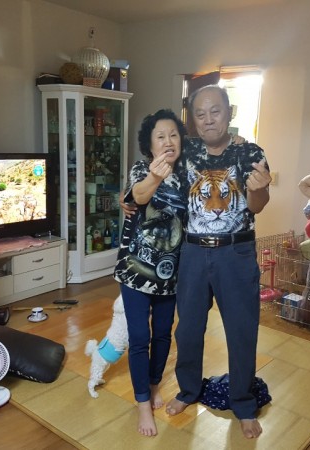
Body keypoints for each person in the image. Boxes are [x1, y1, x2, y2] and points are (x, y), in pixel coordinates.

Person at [164, 85, 271, 439]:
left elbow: (257, 206)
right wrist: (130, 195)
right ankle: (188, 390)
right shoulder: (186, 150)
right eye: (200, 113)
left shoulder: (250, 152)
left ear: (230, 112)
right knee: (188, 329)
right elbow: (152, 153)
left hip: (235, 253)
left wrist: (259, 188)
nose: (209, 119)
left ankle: (243, 403)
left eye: (216, 111)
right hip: (193, 252)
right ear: (192, 120)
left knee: (241, 330)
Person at [113, 109, 188, 437]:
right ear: (150, 144)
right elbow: (138, 196)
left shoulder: (188, 173)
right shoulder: (141, 168)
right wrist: (155, 178)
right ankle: (142, 402)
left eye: (173, 135)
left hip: (171, 274)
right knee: (140, 338)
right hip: (135, 270)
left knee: (162, 334)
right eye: (161, 136)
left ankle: (154, 384)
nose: (168, 141)